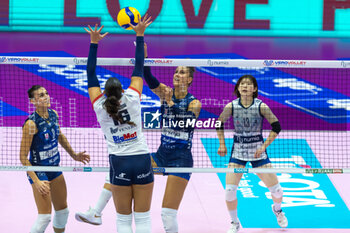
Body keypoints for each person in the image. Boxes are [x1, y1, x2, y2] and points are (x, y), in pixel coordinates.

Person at [83, 14, 153, 233]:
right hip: (141, 159)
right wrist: (139, 35)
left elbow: (90, 73)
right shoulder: (133, 98)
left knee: (123, 221)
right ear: (123, 90)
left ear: (104, 92)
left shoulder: (99, 105)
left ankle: (96, 212)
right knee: (143, 219)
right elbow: (139, 68)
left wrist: (94, 43)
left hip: (119, 163)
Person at [216, 75, 288, 233]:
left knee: (277, 190)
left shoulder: (261, 106)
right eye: (242, 84)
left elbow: (276, 126)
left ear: (254, 89)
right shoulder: (231, 106)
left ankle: (277, 210)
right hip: (238, 153)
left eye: (249, 84)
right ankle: (234, 222)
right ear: (238, 88)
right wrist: (222, 144)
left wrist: (263, 146)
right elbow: (218, 123)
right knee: (229, 191)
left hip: (258, 153)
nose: (245, 86)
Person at [142, 43, 202, 233]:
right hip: (161, 155)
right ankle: (97, 211)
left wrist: (169, 103)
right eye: (176, 71)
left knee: (167, 213)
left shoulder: (194, 103)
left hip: (181, 160)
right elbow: (149, 78)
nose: (177, 74)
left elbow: (186, 122)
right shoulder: (166, 91)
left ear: (190, 79)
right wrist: (143, 53)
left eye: (182, 72)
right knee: (126, 167)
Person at [19, 85, 90, 233]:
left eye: (46, 93)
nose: (46, 97)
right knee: (44, 217)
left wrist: (74, 155)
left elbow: (59, 135)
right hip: (39, 170)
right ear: (33, 101)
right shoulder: (31, 124)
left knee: (63, 212)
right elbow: (23, 158)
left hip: (54, 167)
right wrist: (36, 181)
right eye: (41, 95)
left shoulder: (53, 114)